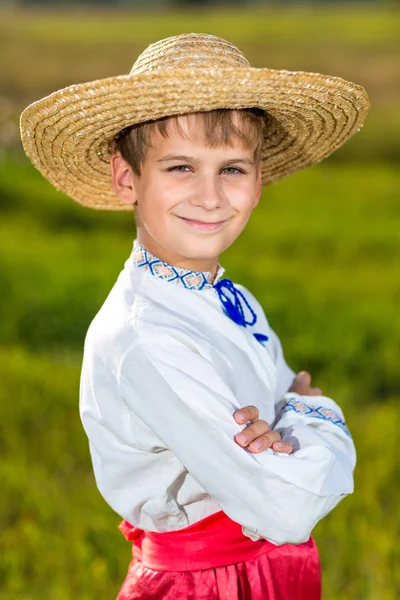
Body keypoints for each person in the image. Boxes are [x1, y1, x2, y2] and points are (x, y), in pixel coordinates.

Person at [19, 33, 370, 600]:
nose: (210, 197)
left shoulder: (226, 295)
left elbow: (281, 406)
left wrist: (288, 426)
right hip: (209, 583)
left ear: (259, 183)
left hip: (272, 571)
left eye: (231, 169)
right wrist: (314, 413)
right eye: (181, 167)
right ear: (127, 178)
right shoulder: (147, 335)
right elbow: (287, 504)